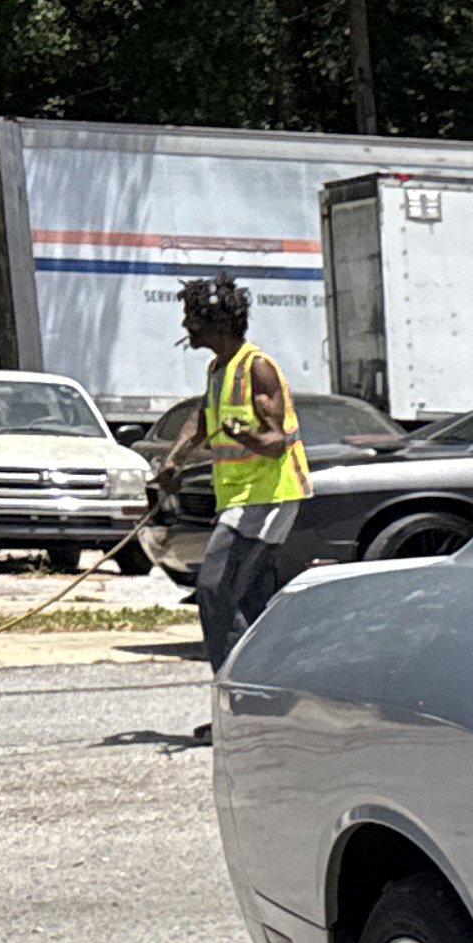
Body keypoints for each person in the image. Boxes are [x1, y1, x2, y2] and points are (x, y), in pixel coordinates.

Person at [152, 275, 309, 673]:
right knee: (251, 601)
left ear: (219, 322)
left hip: (269, 496)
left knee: (215, 590)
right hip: (240, 499)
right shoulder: (219, 368)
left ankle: (235, 699)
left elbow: (276, 442)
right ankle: (267, 696)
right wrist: (175, 459)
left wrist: (250, 436)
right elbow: (202, 420)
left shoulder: (258, 368)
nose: (187, 326)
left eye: (194, 317)